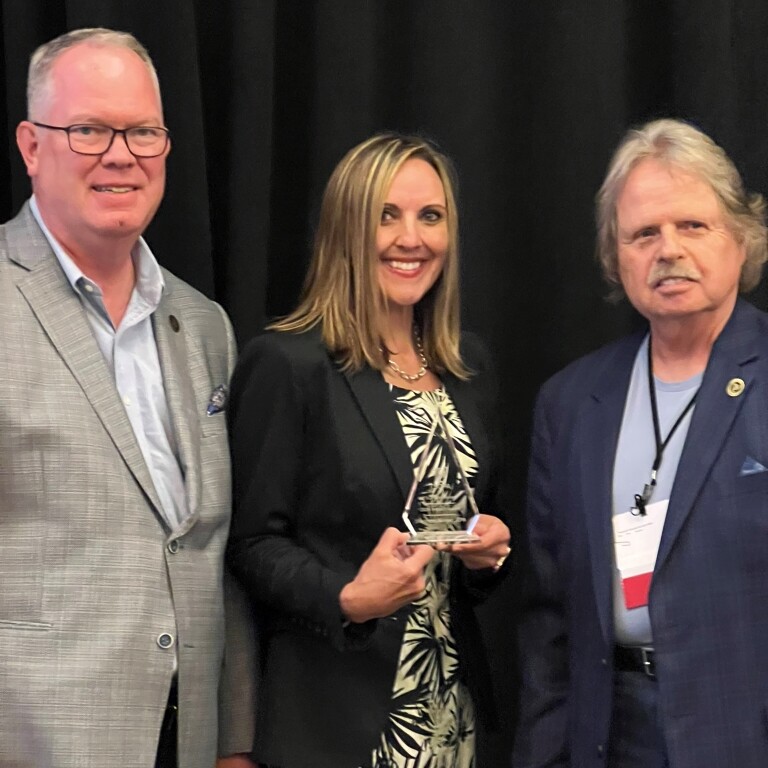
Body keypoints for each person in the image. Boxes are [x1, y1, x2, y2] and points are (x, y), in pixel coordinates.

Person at [0, 28, 256, 768]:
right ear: (31, 145)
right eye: (89, 129)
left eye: (143, 130)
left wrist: (233, 741)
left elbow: (216, 548)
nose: (121, 154)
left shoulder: (205, 326)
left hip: (188, 739)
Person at [227, 133, 511, 768]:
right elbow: (249, 544)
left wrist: (488, 557)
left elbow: (467, 536)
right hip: (339, 728)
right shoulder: (288, 363)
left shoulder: (468, 368)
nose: (412, 238)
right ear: (346, 228)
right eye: (388, 214)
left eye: (430, 216)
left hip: (452, 718)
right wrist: (346, 597)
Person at [512, 118, 768, 768]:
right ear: (615, 256)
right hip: (607, 735)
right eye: (643, 233)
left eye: (692, 226)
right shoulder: (569, 404)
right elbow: (548, 622)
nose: (668, 250)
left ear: (743, 239)